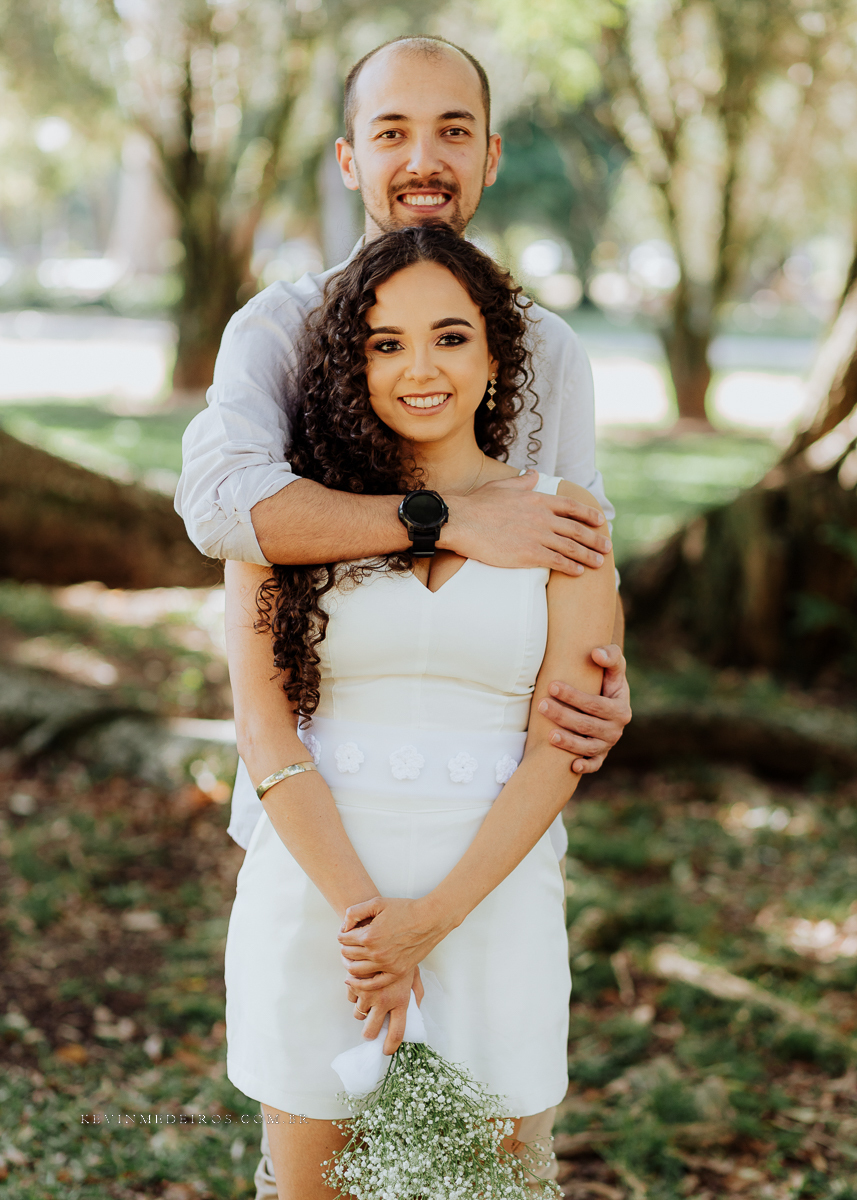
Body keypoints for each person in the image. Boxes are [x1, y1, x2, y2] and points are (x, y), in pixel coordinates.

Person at [223, 225, 617, 1200]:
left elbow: (556, 748)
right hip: (318, 906)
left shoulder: (564, 516)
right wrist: (371, 931)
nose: (418, 368)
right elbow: (266, 735)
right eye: (384, 343)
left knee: (488, 1186)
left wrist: (426, 926)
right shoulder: (285, 519)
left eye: (448, 336)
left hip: (494, 906)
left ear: (495, 356)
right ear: (349, 366)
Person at [175, 35, 632, 801]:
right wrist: (444, 518)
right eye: (391, 133)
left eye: (453, 132)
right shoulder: (280, 329)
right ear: (349, 159)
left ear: (489, 158)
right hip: (309, 790)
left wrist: (606, 676)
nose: (424, 161)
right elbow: (223, 509)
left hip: (493, 795)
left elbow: (583, 550)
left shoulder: (548, 348)